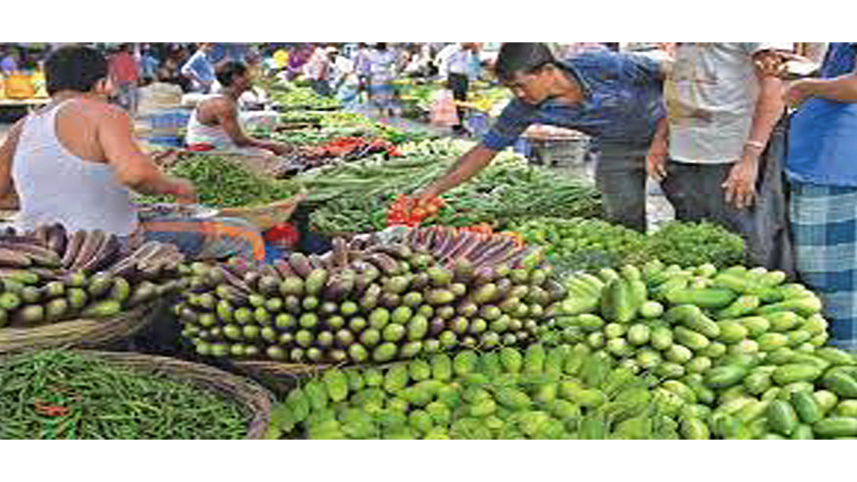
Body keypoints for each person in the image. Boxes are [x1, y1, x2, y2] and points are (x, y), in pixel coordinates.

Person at [0, 45, 266, 261]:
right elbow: (136, 176)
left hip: (38, 243)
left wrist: (55, 196)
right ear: (102, 83)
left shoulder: (21, 127)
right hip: (106, 242)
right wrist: (177, 187)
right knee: (244, 233)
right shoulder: (103, 113)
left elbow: (2, 195)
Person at [416, 42, 669, 233]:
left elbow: (675, 76)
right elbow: (484, 151)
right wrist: (434, 189)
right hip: (616, 145)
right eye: (511, 89)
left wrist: (661, 139)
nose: (518, 94)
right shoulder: (523, 108)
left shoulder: (601, 65)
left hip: (671, 131)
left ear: (548, 70)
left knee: (692, 202)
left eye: (520, 85)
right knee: (621, 213)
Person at [647, 42, 794, 271]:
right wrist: (661, 138)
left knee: (746, 246)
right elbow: (681, 82)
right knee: (695, 243)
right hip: (684, 151)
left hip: (732, 151)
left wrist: (750, 158)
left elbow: (775, 88)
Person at [784, 42, 857, 350]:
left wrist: (805, 87)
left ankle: (846, 363)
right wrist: (814, 72)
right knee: (824, 276)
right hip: (824, 162)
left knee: (837, 285)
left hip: (839, 166)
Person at [185, 60, 294, 156]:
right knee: (269, 155)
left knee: (269, 124)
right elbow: (240, 141)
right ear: (236, 78)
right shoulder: (223, 104)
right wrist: (273, 145)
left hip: (219, 142)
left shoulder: (231, 98)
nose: (252, 77)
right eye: (248, 74)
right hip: (207, 148)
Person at [443, 43, 478, 134]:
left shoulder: (470, 52)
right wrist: (444, 78)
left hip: (464, 78)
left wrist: (472, 79)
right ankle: (456, 126)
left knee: (462, 101)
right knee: (456, 101)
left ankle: (459, 123)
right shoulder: (452, 49)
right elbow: (445, 63)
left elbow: (473, 66)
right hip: (454, 77)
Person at [367, 43, 399, 119]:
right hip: (382, 75)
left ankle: (384, 109)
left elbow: (393, 64)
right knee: (383, 93)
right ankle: (385, 109)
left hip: (382, 76)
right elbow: (393, 63)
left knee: (384, 93)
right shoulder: (389, 53)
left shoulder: (373, 54)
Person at [108, 44, 140, 115]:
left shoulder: (114, 58)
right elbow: (136, 70)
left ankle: (123, 114)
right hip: (131, 80)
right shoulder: (131, 58)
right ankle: (132, 114)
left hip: (119, 80)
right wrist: (137, 79)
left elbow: (111, 71)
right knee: (132, 99)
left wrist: (113, 82)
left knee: (121, 98)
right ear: (126, 48)